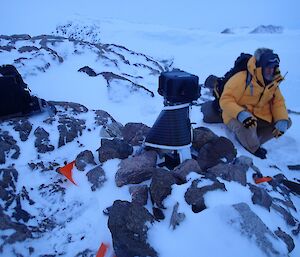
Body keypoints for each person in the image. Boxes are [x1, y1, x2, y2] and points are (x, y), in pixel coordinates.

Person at [219, 48, 292, 159]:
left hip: (258, 114)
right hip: (234, 114)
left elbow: (278, 102)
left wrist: (281, 119)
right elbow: (225, 100)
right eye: (267, 68)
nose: (271, 71)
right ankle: (252, 147)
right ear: (259, 68)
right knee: (248, 125)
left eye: (273, 68)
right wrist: (241, 114)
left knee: (286, 122)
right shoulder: (241, 79)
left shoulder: (272, 82)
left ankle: (252, 138)